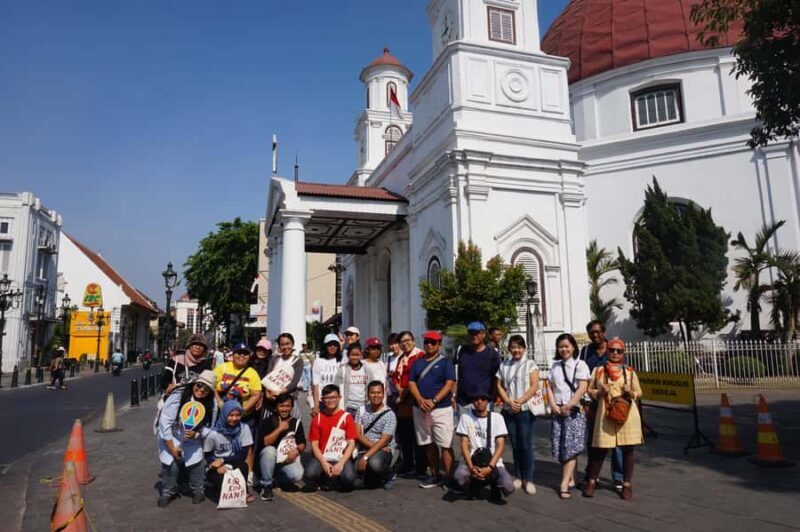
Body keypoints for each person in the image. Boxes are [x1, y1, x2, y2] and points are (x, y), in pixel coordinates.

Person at [583, 338, 643, 501]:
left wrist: (631, 392)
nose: (615, 353)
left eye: (619, 351)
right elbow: (589, 390)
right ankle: (591, 481)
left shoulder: (629, 371)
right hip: (605, 414)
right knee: (600, 450)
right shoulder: (598, 370)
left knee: (628, 450)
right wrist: (600, 393)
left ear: (623, 353)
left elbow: (639, 393)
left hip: (627, 415)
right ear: (607, 351)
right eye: (612, 350)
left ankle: (627, 484)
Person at [157, 370, 217, 507]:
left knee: (197, 464)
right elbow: (165, 421)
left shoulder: (210, 404)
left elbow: (211, 427)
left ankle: (198, 491)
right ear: (194, 383)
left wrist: (197, 433)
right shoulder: (180, 396)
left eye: (206, 388)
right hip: (172, 436)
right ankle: (167, 492)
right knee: (170, 465)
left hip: (192, 439)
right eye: (199, 385)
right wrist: (172, 447)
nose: (201, 390)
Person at [407, 330, 456, 489]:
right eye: (427, 342)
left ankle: (449, 477)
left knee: (446, 444)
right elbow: (411, 382)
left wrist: (435, 400)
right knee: (428, 443)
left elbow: (449, 383)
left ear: (439, 345)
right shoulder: (418, 362)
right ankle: (435, 474)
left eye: (433, 342)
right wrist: (420, 399)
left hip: (441, 408)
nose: (429, 345)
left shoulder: (445, 362)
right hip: (421, 408)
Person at [578, 319, 623, 491]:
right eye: (592, 332)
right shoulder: (585, 352)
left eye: (598, 332)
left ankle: (618, 477)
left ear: (603, 332)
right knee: (593, 441)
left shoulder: (613, 348)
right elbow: (582, 378)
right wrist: (585, 403)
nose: (595, 335)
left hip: (613, 402)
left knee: (616, 441)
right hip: (593, 401)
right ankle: (592, 475)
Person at [547, 333, 590, 499]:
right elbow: (549, 387)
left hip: (574, 412)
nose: (564, 349)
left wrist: (569, 404)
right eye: (561, 346)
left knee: (571, 448)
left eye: (567, 346)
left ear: (573, 347)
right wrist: (552, 404)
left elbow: (582, 387)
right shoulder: (555, 366)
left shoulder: (580, 364)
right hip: (558, 410)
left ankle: (564, 483)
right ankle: (574, 478)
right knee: (561, 446)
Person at [496, 335, 539, 495]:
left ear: (524, 348)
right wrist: (508, 401)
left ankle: (529, 478)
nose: (516, 350)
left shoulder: (530, 364)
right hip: (509, 410)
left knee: (525, 445)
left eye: (519, 347)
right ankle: (518, 476)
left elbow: (534, 385)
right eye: (513, 347)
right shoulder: (504, 365)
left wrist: (519, 402)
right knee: (514, 445)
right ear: (509, 349)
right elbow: (499, 385)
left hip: (525, 409)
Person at [213, 342, 263, 480]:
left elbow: (256, 394)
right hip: (222, 416)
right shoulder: (221, 368)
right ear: (232, 354)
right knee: (220, 443)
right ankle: (216, 470)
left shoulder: (251, 373)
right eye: (238, 353)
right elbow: (210, 386)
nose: (241, 356)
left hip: (244, 416)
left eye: (245, 353)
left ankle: (249, 473)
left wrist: (242, 410)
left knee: (246, 446)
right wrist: (219, 402)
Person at [454, 393, 515, 502]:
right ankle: (474, 486)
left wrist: (490, 468)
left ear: (487, 401)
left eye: (483, 399)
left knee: (508, 487)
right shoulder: (465, 417)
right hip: (472, 459)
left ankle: (495, 486)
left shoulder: (497, 418)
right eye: (476, 399)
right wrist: (471, 466)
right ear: (472, 402)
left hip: (492, 461)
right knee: (460, 477)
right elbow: (463, 443)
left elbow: (500, 446)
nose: (479, 401)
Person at [305, 384, 357, 492]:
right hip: (322, 456)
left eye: (333, 397)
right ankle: (324, 477)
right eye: (327, 398)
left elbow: (351, 443)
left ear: (339, 398)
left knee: (349, 478)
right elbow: (314, 444)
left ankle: (336, 479)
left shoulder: (347, 417)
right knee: (309, 474)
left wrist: (341, 463)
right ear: (322, 399)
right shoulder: (317, 418)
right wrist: (324, 463)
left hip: (340, 456)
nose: (330, 400)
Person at [204, 400, 256, 503]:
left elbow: (243, 454)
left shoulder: (244, 428)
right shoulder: (213, 433)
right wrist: (217, 465)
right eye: (231, 415)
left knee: (243, 466)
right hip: (216, 465)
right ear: (224, 414)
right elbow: (207, 455)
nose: (234, 418)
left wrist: (223, 460)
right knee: (222, 493)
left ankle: (244, 490)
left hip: (232, 462)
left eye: (238, 415)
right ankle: (212, 484)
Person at [257, 394, 306, 501]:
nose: (284, 409)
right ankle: (266, 486)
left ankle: (277, 478)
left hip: (286, 460)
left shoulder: (296, 422)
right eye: (281, 406)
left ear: (292, 407)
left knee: (297, 474)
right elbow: (265, 442)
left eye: (287, 406)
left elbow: (302, 443)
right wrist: (280, 429)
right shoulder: (268, 421)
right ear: (276, 407)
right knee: (269, 451)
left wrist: (297, 451)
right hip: (269, 459)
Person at [390, 330, 425, 477]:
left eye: (407, 340)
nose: (405, 344)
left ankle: (421, 467)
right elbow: (396, 378)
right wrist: (399, 390)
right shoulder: (401, 358)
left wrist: (403, 394)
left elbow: (417, 378)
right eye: (402, 342)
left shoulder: (420, 356)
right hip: (403, 402)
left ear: (414, 340)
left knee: (418, 436)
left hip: (414, 400)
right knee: (405, 435)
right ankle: (408, 464)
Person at [354, 381, 398, 489]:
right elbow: (358, 434)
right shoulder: (362, 410)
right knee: (351, 479)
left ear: (383, 394)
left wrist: (365, 457)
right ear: (368, 394)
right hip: (370, 447)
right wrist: (369, 451)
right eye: (372, 393)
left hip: (384, 449)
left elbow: (384, 441)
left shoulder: (389, 414)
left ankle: (390, 474)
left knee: (375, 463)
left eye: (379, 393)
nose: (376, 396)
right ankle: (372, 477)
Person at [455, 322, 501, 413]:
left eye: (477, 333)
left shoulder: (492, 354)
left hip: (484, 402)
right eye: (471, 333)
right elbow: (456, 375)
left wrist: (494, 397)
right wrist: (453, 395)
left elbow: (497, 378)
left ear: (483, 334)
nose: (474, 336)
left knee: (485, 427)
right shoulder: (461, 351)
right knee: (465, 427)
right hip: (464, 402)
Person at [263, 333, 304, 417]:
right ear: (279, 346)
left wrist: (279, 392)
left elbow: (294, 382)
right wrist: (267, 393)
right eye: (282, 344)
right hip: (272, 399)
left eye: (288, 343)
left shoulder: (298, 361)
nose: (285, 347)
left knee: (290, 426)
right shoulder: (274, 359)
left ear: (293, 344)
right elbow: (268, 377)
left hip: (288, 399)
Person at [312, 334, 343, 416]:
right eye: (330, 345)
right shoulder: (318, 361)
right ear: (325, 346)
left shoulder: (341, 361)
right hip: (323, 401)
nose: (332, 347)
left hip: (338, 401)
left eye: (335, 345)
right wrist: (316, 405)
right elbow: (315, 384)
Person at [335, 342, 368, 416]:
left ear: (361, 355)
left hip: (364, 408)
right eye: (352, 355)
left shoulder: (366, 369)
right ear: (348, 355)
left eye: (357, 355)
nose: (355, 357)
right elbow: (336, 388)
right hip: (348, 408)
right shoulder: (342, 369)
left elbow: (370, 386)